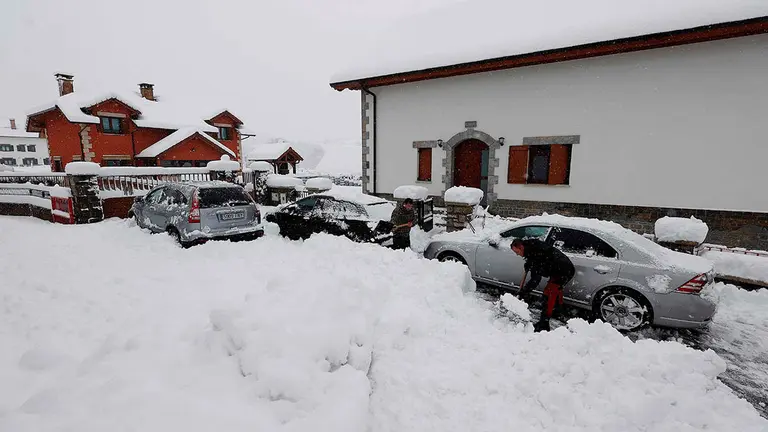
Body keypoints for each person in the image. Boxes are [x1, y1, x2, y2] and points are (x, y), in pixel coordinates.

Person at [511, 238, 576, 332]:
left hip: (563, 270)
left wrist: (524, 292)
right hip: (559, 268)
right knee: (555, 291)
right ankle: (558, 311)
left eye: (517, 252)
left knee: (549, 295)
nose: (517, 254)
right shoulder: (531, 248)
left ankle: (544, 324)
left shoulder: (536, 253)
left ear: (521, 247)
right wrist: (529, 263)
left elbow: (535, 279)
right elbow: (536, 259)